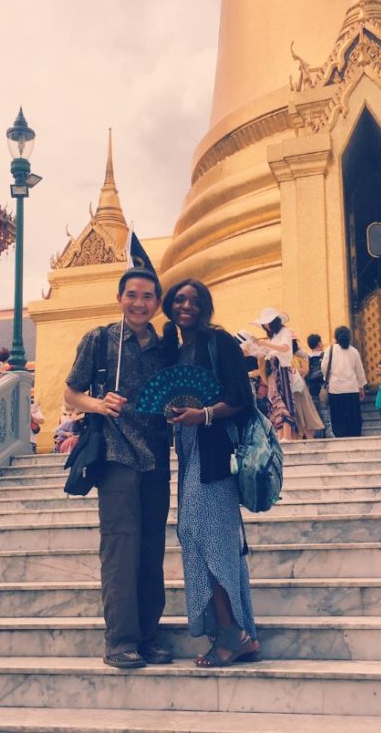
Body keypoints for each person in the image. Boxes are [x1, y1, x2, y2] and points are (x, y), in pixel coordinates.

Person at [64, 267, 172, 670]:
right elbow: (71, 391)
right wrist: (98, 404)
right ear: (120, 298)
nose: (139, 303)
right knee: (121, 547)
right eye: (132, 295)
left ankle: (148, 634)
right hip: (116, 454)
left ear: (157, 304)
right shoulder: (101, 339)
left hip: (156, 457)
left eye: (147, 297)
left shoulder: (164, 347)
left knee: (151, 548)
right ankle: (121, 640)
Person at [162, 278, 260, 667]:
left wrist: (202, 414)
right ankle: (237, 632)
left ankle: (232, 633)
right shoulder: (174, 348)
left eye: (195, 300)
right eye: (179, 299)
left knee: (210, 539)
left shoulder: (219, 342)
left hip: (215, 451)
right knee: (194, 534)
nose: (186, 306)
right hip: (188, 451)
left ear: (205, 307)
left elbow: (241, 399)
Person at [246, 308, 298, 442]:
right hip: (273, 372)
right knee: (275, 403)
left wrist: (267, 345)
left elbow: (286, 348)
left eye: (267, 323)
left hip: (282, 369)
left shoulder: (284, 332)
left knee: (284, 402)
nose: (266, 326)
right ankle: (281, 435)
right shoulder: (274, 336)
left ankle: (287, 435)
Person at [321, 326, 366, 437]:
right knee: (353, 416)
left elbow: (324, 367)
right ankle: (354, 436)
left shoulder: (330, 350)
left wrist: (329, 378)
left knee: (338, 416)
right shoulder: (354, 351)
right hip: (352, 388)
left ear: (335, 336)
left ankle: (340, 435)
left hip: (335, 389)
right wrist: (361, 386)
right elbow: (359, 370)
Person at [291, 352, 325, 439]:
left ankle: (307, 436)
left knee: (305, 413)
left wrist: (291, 370)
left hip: (299, 387)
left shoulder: (299, 355)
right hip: (294, 388)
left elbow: (305, 370)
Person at [304, 333, 330, 438]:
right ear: (319, 343)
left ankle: (318, 436)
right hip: (323, 386)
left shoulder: (307, 357)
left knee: (315, 413)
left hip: (311, 388)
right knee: (325, 411)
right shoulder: (325, 356)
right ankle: (329, 434)